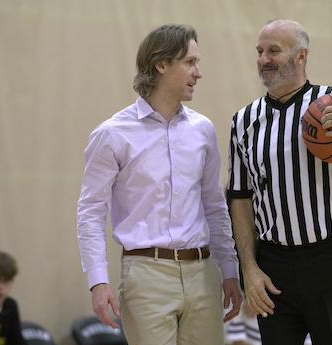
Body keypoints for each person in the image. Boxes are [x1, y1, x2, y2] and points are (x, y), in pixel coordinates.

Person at [227, 19, 332, 345]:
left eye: (273, 51)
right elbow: (240, 199)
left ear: (300, 56)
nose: (264, 59)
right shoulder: (244, 121)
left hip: (331, 261)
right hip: (273, 266)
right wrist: (248, 269)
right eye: (260, 51)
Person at [77, 24, 242, 345]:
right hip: (145, 275)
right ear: (162, 64)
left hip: (204, 272)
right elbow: (90, 211)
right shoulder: (113, 133)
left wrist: (229, 270)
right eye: (190, 62)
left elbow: (214, 206)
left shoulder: (203, 130)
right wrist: (98, 281)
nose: (199, 72)